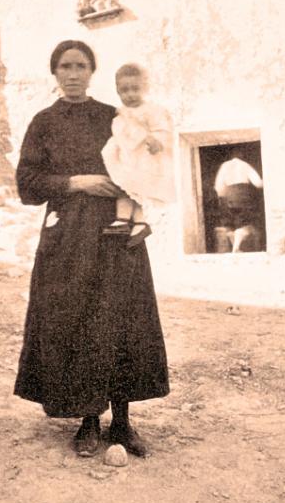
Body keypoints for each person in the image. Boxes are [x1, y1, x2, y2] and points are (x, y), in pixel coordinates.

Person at [14, 41, 169, 458]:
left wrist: (139, 202)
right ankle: (87, 420)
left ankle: (122, 422)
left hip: (115, 230)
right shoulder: (44, 122)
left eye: (80, 66)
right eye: (65, 66)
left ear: (92, 71)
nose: (73, 74)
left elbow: (143, 161)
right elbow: (27, 184)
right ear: (54, 72)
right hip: (68, 235)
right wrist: (77, 182)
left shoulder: (113, 116)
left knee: (122, 320)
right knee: (78, 321)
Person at [101, 63, 175, 246]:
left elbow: (163, 129)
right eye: (124, 90)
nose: (130, 95)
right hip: (127, 155)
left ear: (145, 88)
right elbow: (120, 131)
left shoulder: (153, 110)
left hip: (144, 157)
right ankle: (124, 220)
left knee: (139, 189)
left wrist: (157, 140)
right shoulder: (121, 113)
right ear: (117, 91)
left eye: (135, 89)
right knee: (125, 188)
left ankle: (140, 221)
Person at [214, 146, 264, 252]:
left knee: (230, 226)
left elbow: (218, 187)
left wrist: (223, 201)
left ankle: (235, 247)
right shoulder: (245, 165)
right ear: (242, 155)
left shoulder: (224, 166)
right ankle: (236, 248)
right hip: (242, 196)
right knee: (246, 224)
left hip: (227, 197)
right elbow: (258, 183)